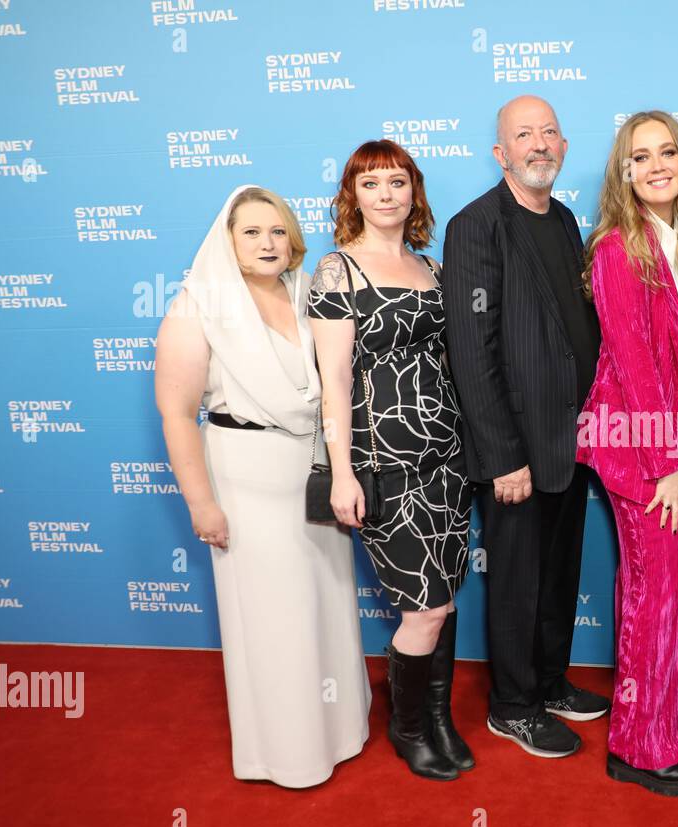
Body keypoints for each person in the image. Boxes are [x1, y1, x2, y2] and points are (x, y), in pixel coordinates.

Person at [155, 184, 370, 788]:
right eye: (251, 232)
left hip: (313, 472)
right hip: (246, 477)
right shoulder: (197, 306)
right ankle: (288, 754)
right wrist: (202, 503)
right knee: (275, 617)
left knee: (325, 601)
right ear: (228, 241)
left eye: (277, 230)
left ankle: (339, 731)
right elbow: (177, 414)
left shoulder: (308, 292)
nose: (267, 243)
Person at [442, 95, 609, 759]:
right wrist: (503, 455)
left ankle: (547, 681)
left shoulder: (566, 220)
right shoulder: (476, 227)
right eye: (523, 135)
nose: (538, 144)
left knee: (559, 572)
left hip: (572, 443)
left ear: (564, 146)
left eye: (549, 133)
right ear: (500, 153)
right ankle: (512, 706)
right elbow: (471, 352)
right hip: (514, 449)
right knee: (516, 581)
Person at [309, 140, 472, 782]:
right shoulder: (336, 272)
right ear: (353, 195)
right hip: (383, 462)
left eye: (397, 181)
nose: (385, 193)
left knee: (447, 598)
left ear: (414, 192)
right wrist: (343, 472)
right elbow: (336, 383)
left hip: (446, 458)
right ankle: (408, 728)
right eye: (371, 183)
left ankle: (438, 719)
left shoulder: (430, 269)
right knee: (422, 607)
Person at [577, 111, 678, 797]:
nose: (655, 165)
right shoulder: (616, 249)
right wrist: (665, 463)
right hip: (640, 449)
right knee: (653, 597)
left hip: (671, 444)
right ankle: (639, 747)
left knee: (666, 594)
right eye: (639, 157)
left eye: (667, 152)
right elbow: (633, 363)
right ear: (622, 172)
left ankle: (663, 725)